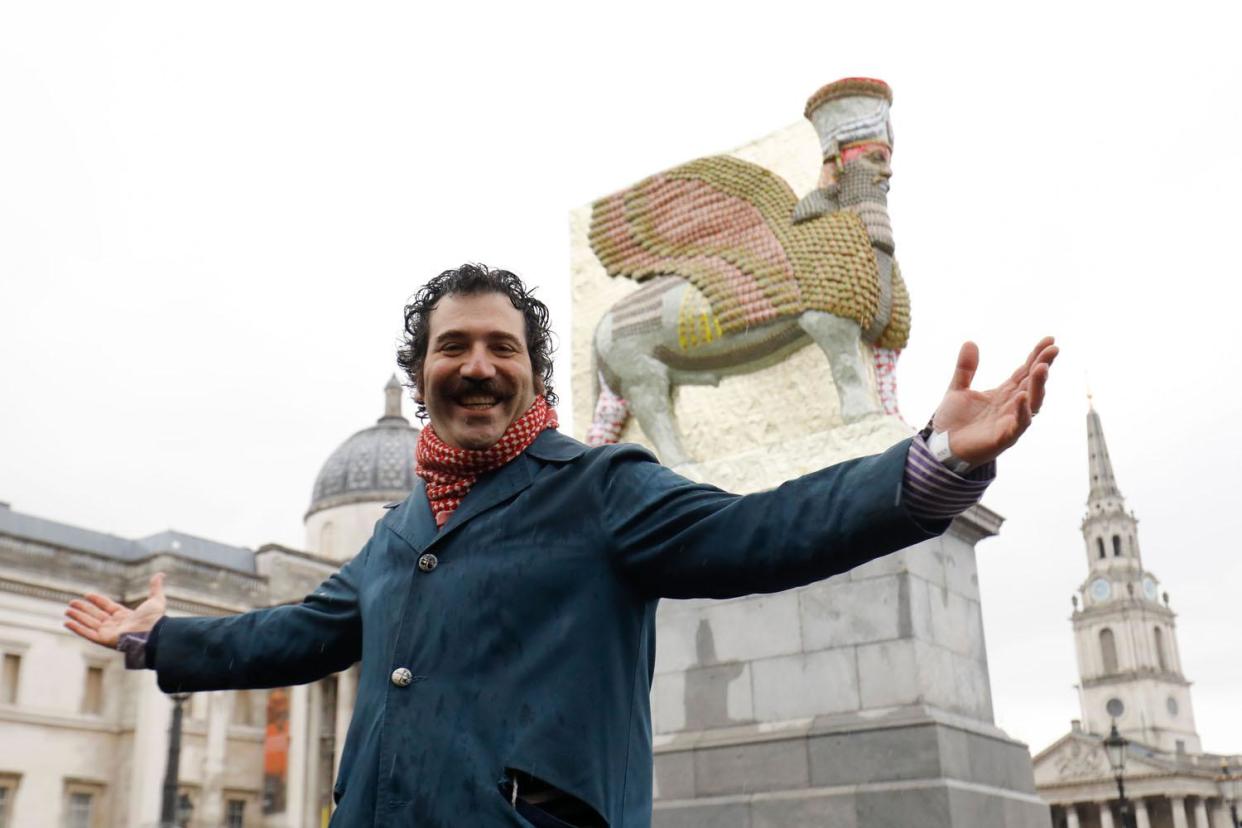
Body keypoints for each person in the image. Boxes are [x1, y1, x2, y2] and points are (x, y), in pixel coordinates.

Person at [64, 264, 1057, 827]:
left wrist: (926, 467)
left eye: (503, 347)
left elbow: (762, 534)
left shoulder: (600, 489)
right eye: (454, 347)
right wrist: (160, 642)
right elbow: (295, 636)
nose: (478, 364)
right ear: (423, 377)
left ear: (534, 377)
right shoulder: (401, 526)